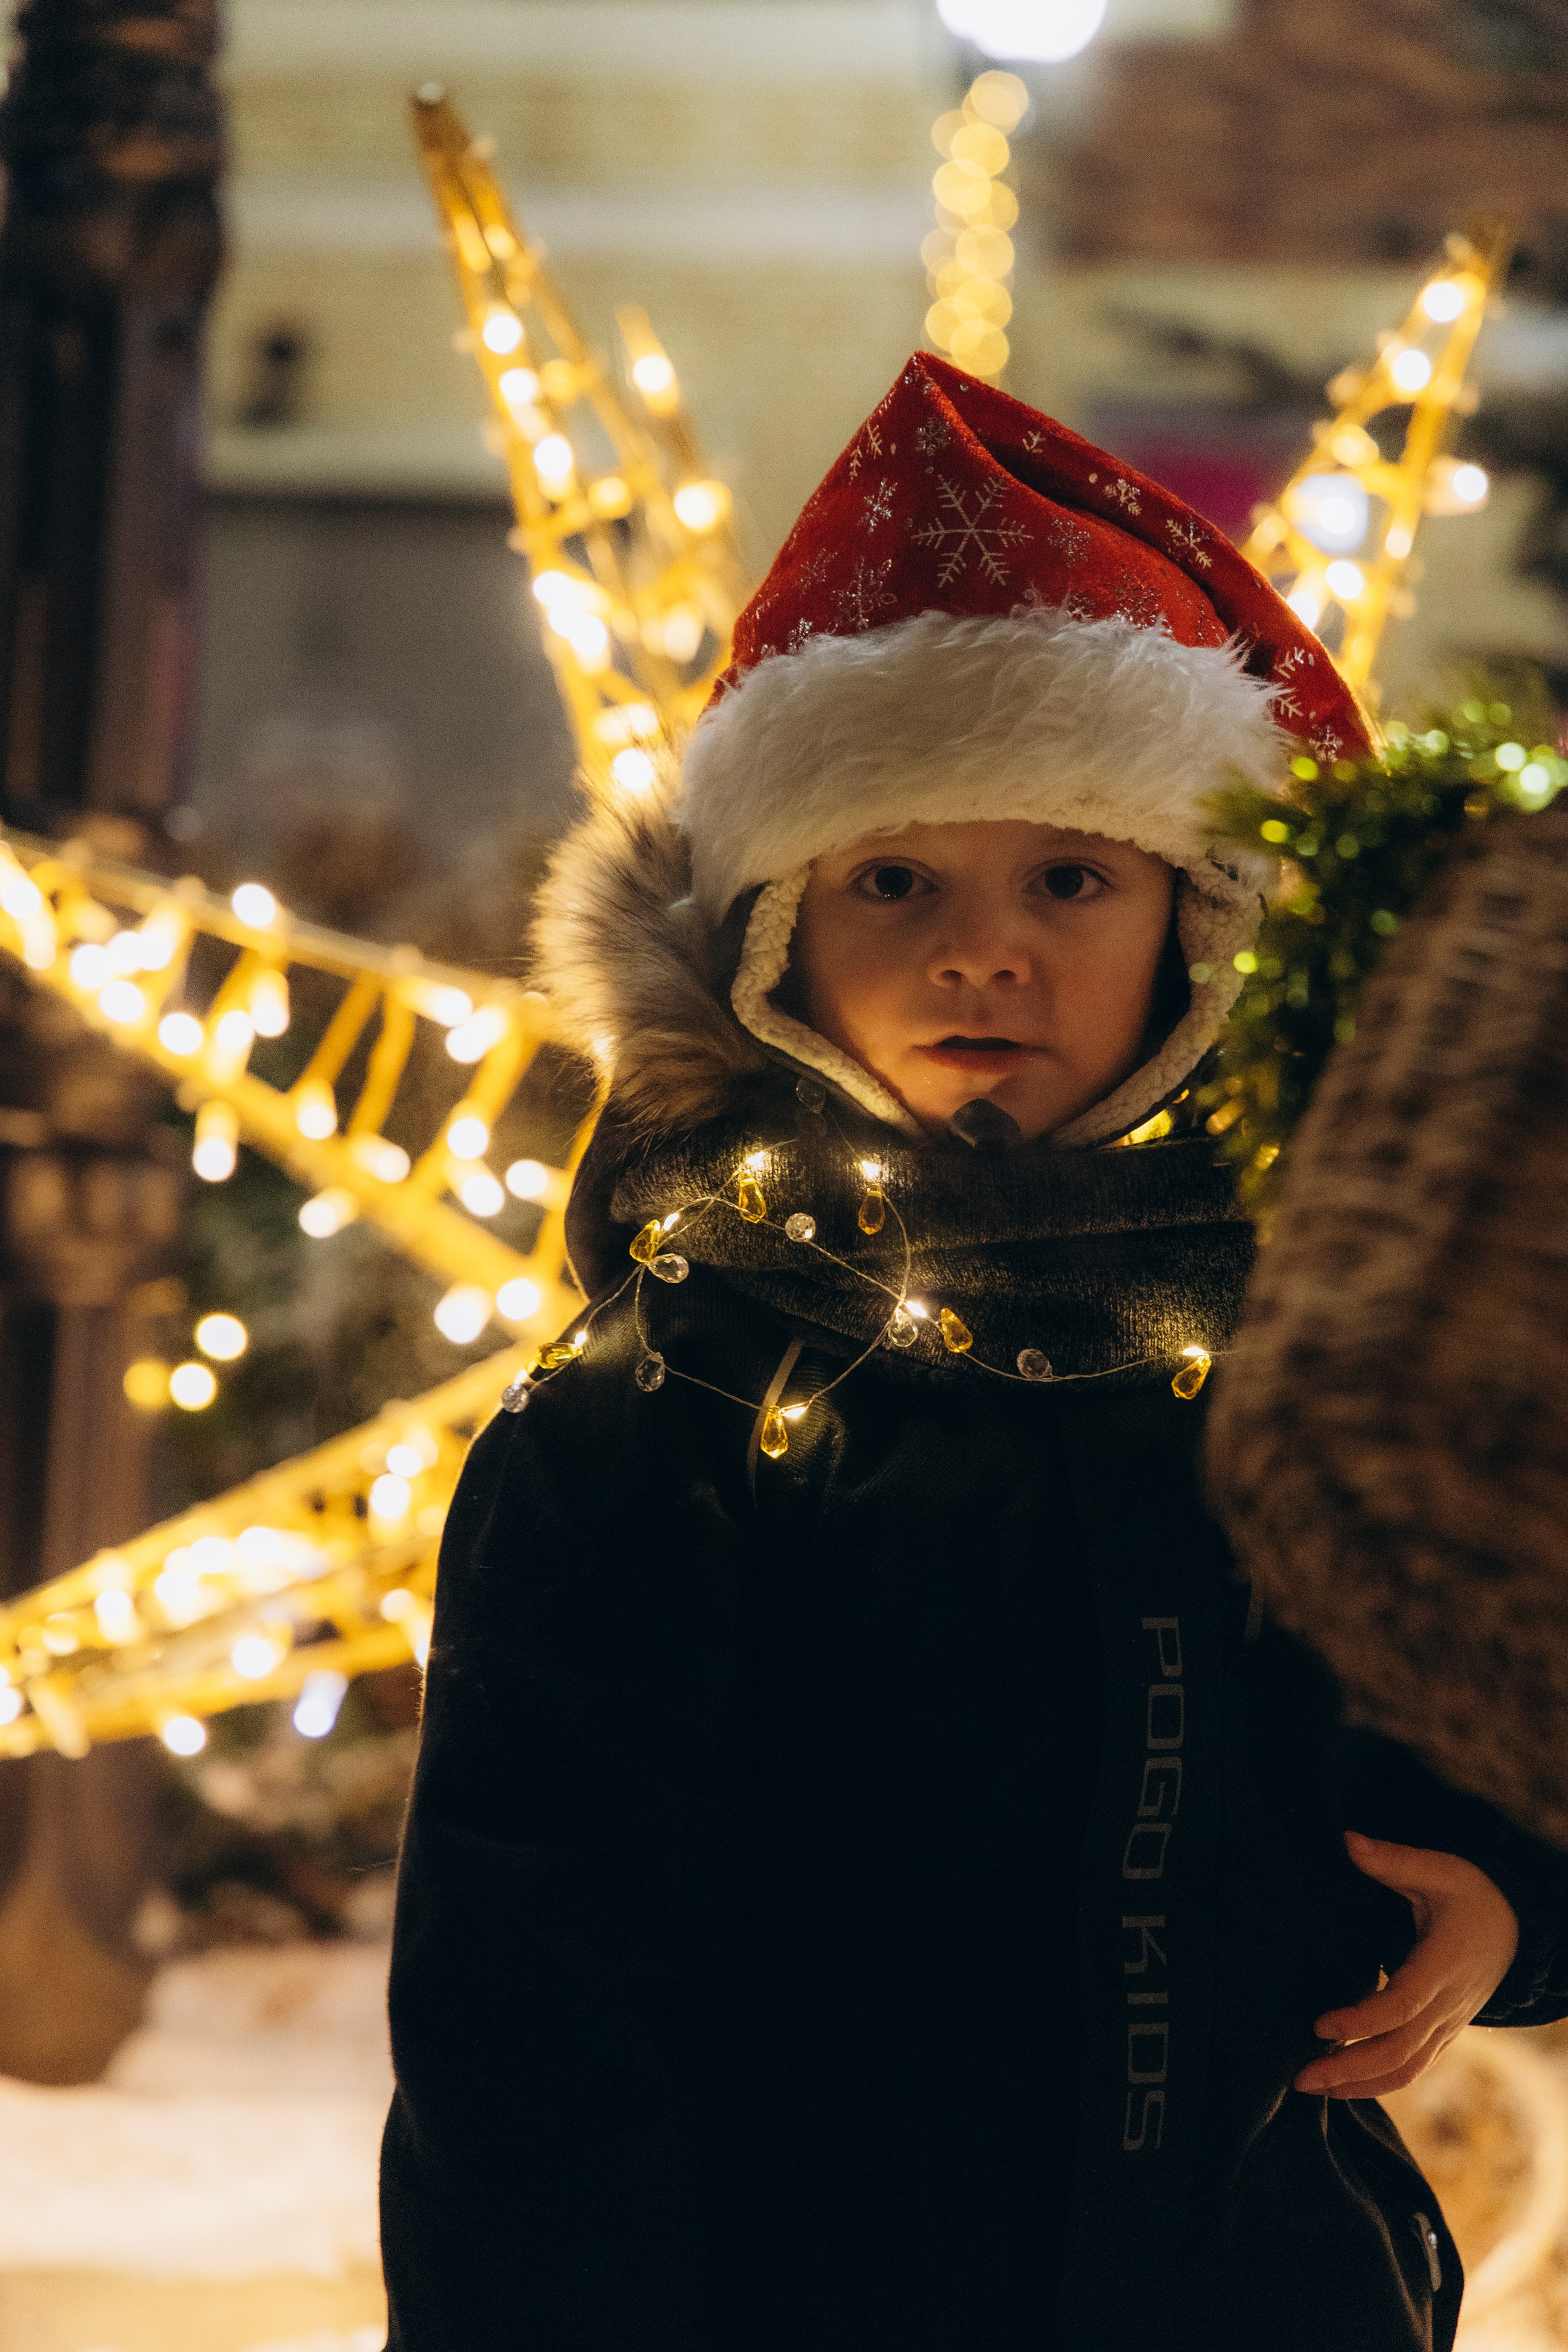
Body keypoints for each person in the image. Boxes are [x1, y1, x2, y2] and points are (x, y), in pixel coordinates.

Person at [379, 354, 1568, 2352]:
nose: (978, 948)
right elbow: (531, 2018)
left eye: (1070, 879)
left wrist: (1519, 1893)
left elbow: (1485, 1693)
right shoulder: (658, 1417)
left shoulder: (1305, 1365)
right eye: (894, 878)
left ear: (1199, 929)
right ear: (768, 935)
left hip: (1256, 2292)